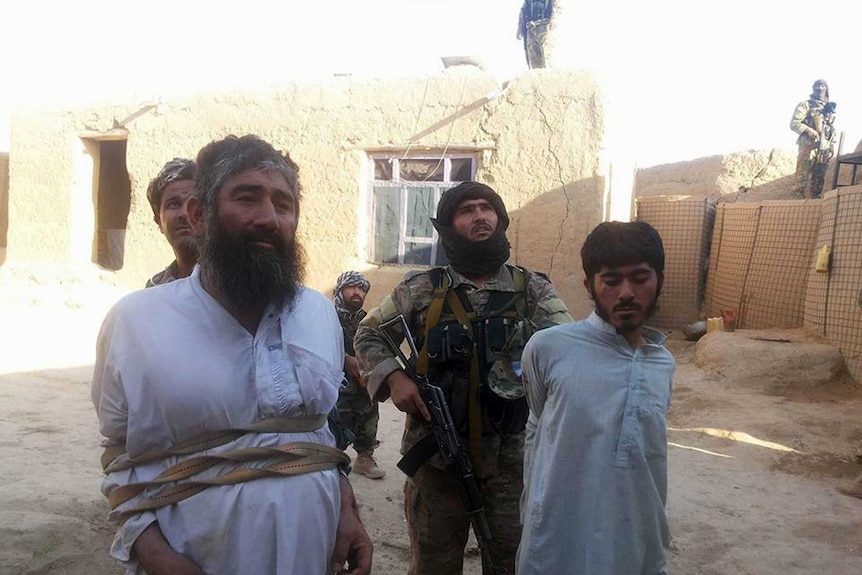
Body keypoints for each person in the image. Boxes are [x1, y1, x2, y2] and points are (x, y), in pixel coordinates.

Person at [92, 135, 372, 575]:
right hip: (190, 560)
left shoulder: (317, 311)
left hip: (311, 555)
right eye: (247, 198)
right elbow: (118, 455)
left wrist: (347, 508)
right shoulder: (135, 321)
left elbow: (318, 434)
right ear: (200, 215)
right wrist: (150, 551)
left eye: (283, 204)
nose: (268, 218)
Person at [355, 181, 573, 575]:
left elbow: (568, 349)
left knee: (512, 563)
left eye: (487, 208)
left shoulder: (531, 289)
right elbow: (369, 333)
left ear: (500, 219)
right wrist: (393, 378)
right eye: (467, 210)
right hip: (437, 455)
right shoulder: (421, 288)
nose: (480, 216)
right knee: (433, 565)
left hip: (511, 460)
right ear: (449, 226)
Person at [516, 221, 675, 575]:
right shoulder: (548, 348)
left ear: (659, 280)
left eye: (640, 277)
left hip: (637, 533)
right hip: (558, 534)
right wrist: (532, 511)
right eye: (612, 280)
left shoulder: (662, 362)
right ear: (590, 286)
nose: (627, 293)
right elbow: (537, 427)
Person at [333, 270, 386, 479]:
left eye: (362, 289)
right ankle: (333, 462)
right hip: (337, 384)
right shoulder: (326, 317)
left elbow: (378, 347)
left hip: (364, 384)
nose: (357, 292)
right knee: (337, 424)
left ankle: (364, 458)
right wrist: (345, 359)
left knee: (369, 416)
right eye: (352, 287)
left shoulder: (368, 320)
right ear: (340, 290)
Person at [144, 158, 198, 287]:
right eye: (174, 204)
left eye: (194, 203)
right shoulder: (155, 288)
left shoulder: (235, 286)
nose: (185, 214)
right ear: (158, 222)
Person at [790, 79, 837, 199]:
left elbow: (830, 128)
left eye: (822, 86)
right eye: (817, 86)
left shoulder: (828, 108)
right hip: (808, 146)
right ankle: (797, 204)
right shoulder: (806, 105)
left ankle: (814, 203)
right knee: (802, 177)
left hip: (823, 147)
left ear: (826, 89)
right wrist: (809, 130)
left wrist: (831, 145)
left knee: (819, 178)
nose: (820, 89)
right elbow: (794, 123)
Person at [517, 0, 554, 69]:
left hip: (545, 26)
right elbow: (523, 10)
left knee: (547, 56)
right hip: (531, 27)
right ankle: (539, 76)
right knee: (534, 58)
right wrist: (520, 28)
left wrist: (554, 19)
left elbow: (557, 7)